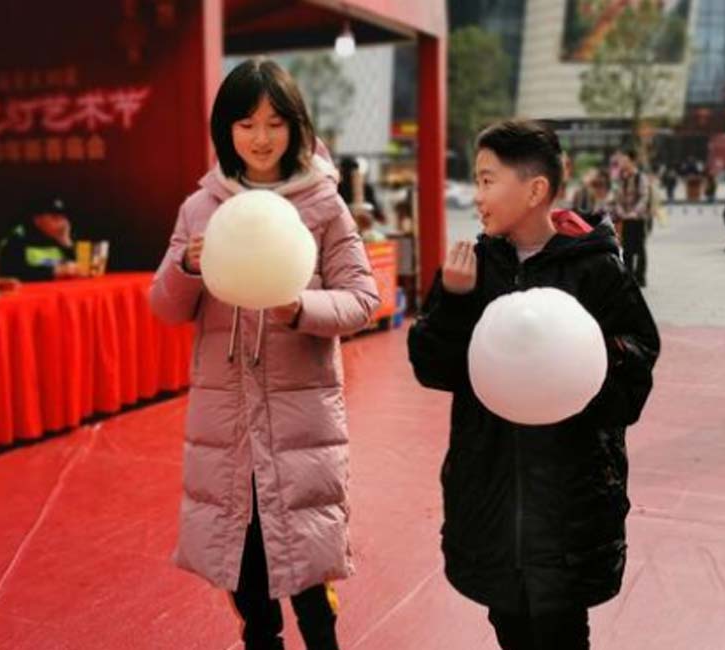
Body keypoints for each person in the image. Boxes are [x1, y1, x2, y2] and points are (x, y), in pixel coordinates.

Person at [148, 58, 379, 650]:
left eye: (275, 122)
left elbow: (361, 298)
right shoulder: (201, 209)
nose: (260, 137)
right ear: (225, 129)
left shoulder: (323, 204)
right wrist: (187, 266)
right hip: (226, 426)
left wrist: (298, 309)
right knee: (246, 573)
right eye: (245, 123)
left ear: (296, 127)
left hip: (300, 419)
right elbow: (166, 308)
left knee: (307, 568)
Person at [408, 119, 660, 650]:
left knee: (562, 631)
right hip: (491, 492)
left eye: (486, 180)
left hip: (570, 499)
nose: (476, 196)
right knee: (511, 627)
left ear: (535, 189)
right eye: (475, 181)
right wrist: (453, 301)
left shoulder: (595, 269)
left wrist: (582, 358)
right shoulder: (473, 268)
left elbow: (635, 374)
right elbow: (432, 367)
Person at [0, 196, 84, 281]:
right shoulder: (16, 239)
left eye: (63, 218)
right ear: (37, 220)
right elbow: (12, 273)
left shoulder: (61, 237)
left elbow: (80, 269)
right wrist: (53, 271)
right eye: (55, 218)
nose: (61, 224)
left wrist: (66, 243)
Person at [614, 150, 652, 287]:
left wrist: (634, 212)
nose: (622, 163)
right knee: (627, 249)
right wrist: (622, 212)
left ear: (632, 161)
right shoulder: (621, 179)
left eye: (624, 160)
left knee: (640, 248)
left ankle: (640, 277)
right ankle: (629, 276)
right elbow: (617, 199)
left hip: (638, 218)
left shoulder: (640, 177)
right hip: (626, 218)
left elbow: (644, 197)